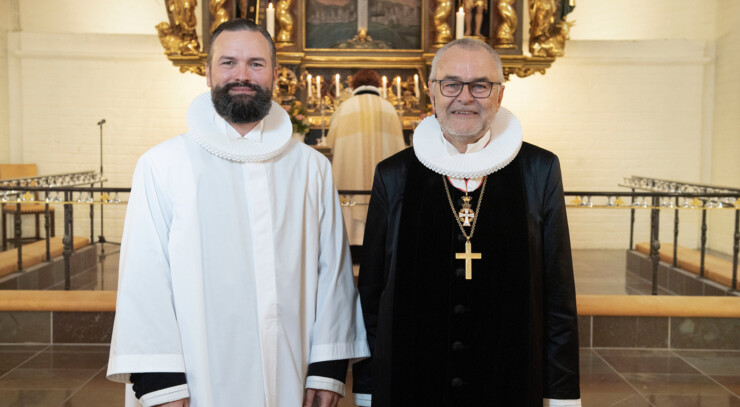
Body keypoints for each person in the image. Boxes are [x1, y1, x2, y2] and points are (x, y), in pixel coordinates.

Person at [107, 19, 369, 407]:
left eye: (256, 64)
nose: (242, 75)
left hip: (290, 368)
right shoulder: (163, 164)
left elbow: (332, 273)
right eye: (228, 63)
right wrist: (161, 381)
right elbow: (144, 276)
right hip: (194, 378)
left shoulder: (310, 167)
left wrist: (327, 369)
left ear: (276, 74)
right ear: (208, 72)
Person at [352, 38, 581, 406]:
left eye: (480, 85)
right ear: (432, 91)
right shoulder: (394, 174)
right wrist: (366, 385)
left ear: (500, 94)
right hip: (412, 381)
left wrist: (563, 395)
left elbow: (557, 294)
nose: (465, 97)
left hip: (509, 379)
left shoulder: (539, 170)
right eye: (451, 83)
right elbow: (372, 293)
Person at [325, 69, 405, 245]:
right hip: (384, 183)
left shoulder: (344, 108)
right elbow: (399, 149)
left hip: (351, 181)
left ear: (353, 85)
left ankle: (353, 243)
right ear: (378, 85)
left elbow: (330, 142)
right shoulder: (389, 108)